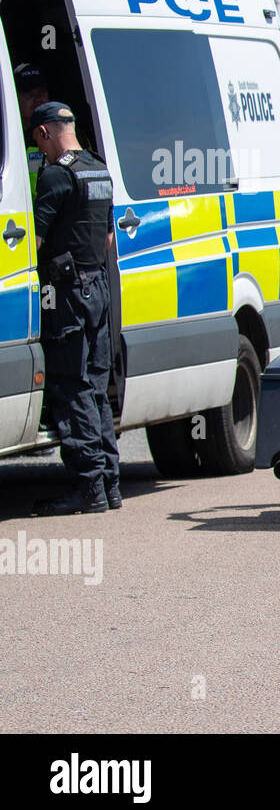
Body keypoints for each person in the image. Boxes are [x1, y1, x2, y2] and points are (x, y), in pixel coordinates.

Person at [29, 103, 122, 516]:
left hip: (68, 293)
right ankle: (110, 484)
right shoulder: (97, 169)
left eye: (38, 141)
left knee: (72, 384)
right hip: (98, 286)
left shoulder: (55, 175)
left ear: (45, 133)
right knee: (97, 386)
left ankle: (88, 488)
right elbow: (105, 241)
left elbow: (33, 238)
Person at [15, 62, 49, 197]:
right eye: (29, 93)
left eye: (41, 92)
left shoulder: (64, 135)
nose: (37, 98)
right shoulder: (8, 140)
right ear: (14, 97)